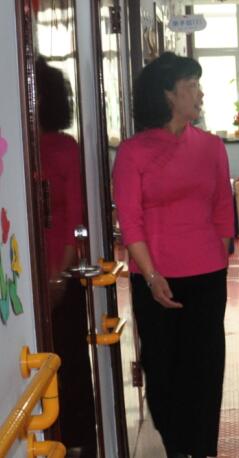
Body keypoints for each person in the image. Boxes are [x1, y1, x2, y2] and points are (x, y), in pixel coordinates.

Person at [113, 52, 234, 458]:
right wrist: (151, 275)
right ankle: (177, 446)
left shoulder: (212, 146)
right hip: (155, 278)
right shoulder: (132, 152)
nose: (200, 94)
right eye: (191, 86)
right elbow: (130, 221)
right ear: (168, 94)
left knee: (205, 369)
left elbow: (223, 208)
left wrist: (220, 256)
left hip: (207, 276)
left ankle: (200, 449)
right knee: (162, 370)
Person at [37, 56, 97, 456]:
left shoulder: (63, 148)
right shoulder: (15, 149)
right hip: (22, 277)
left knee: (69, 359)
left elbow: (78, 218)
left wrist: (59, 274)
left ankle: (76, 441)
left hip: (63, 273)